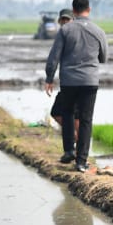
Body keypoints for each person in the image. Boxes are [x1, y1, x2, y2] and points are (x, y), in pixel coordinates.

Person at [45, 0, 109, 172]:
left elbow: (53, 58)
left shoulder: (65, 30)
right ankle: (81, 161)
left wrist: (49, 78)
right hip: (90, 81)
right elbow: (104, 58)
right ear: (88, 10)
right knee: (86, 120)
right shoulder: (99, 31)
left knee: (67, 113)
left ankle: (69, 151)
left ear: (73, 11)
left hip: (69, 81)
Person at [49, 8, 79, 140]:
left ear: (73, 20)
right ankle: (74, 135)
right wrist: (50, 77)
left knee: (76, 114)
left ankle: (78, 144)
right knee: (57, 112)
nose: (65, 22)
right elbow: (54, 57)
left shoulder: (77, 34)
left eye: (68, 19)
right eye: (63, 20)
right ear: (60, 21)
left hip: (77, 80)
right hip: (68, 81)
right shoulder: (61, 35)